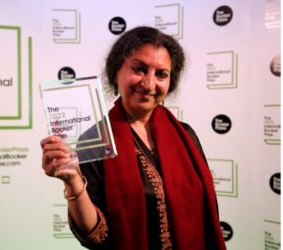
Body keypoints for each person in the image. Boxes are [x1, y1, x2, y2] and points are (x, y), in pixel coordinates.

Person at [41, 26, 226, 250]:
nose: (148, 84)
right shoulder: (95, 140)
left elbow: (208, 215)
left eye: (161, 74)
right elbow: (96, 236)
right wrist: (72, 181)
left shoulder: (186, 136)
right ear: (116, 71)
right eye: (139, 69)